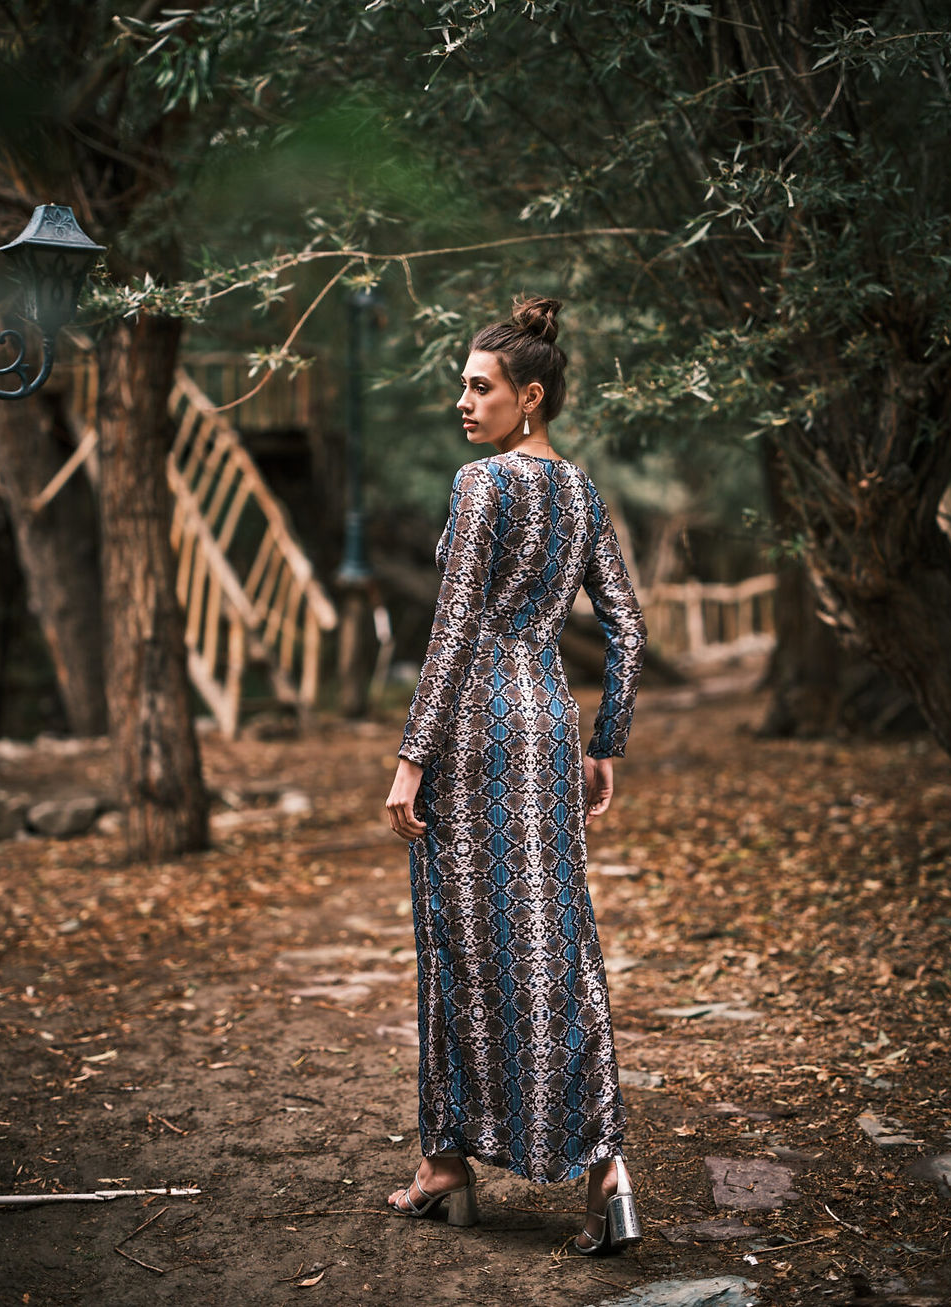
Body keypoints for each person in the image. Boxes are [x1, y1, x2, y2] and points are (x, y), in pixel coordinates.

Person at [384, 295, 647, 1254]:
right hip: (546, 723)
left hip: (474, 730)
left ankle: (446, 1161)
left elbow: (455, 628)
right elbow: (629, 628)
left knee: (459, 938)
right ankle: (603, 1168)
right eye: (463, 385)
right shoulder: (581, 493)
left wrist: (411, 759)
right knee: (555, 936)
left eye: (479, 386)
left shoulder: (481, 483)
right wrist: (605, 742)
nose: (463, 400)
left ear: (528, 397)